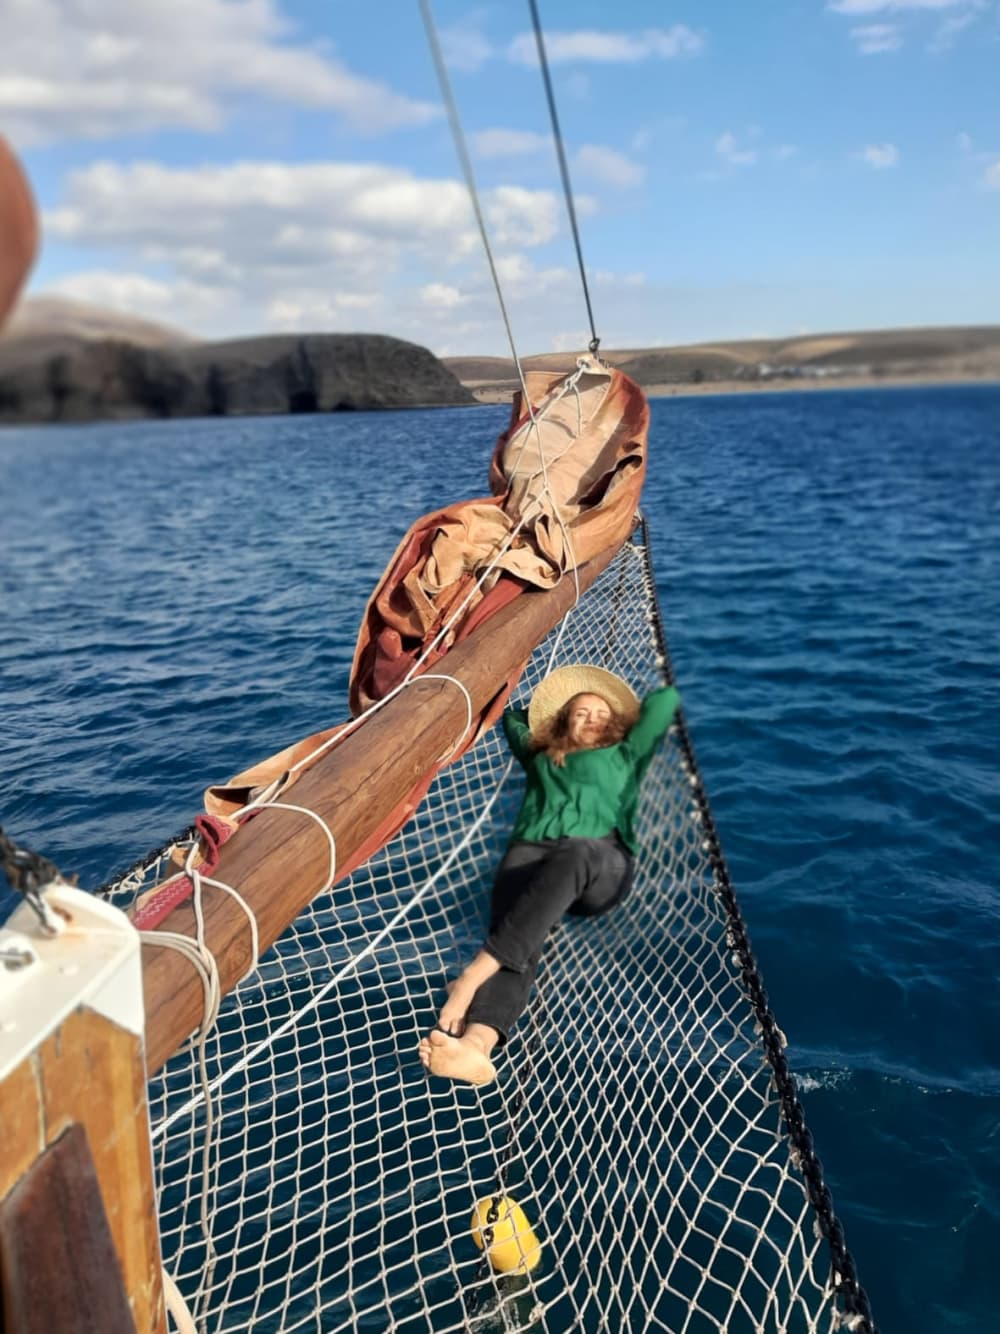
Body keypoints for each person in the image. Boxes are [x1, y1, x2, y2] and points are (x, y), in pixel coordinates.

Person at [418, 663, 680, 1085]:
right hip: (531, 856)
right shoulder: (540, 753)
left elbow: (664, 701)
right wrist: (547, 707)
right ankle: (476, 1047)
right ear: (561, 720)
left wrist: (621, 715)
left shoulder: (627, 753)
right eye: (580, 712)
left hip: (601, 861)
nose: (592, 718)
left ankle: (468, 979)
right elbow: (512, 717)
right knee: (518, 934)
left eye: (601, 715)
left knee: (576, 853)